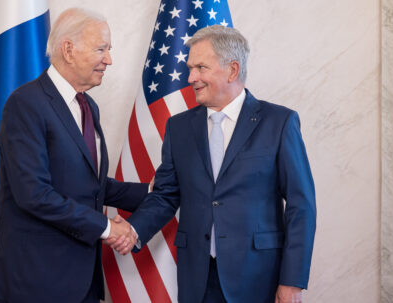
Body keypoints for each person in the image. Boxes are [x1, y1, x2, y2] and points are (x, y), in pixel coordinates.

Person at [116, 25, 316, 303]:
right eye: (190, 68)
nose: (190, 77)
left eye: (200, 67)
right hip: (197, 277)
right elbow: (165, 195)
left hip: (257, 275)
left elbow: (301, 205)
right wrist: (133, 229)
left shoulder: (279, 123)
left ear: (232, 70)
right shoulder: (178, 127)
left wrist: (292, 281)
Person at [0, 8, 147, 303]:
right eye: (101, 48)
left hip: (81, 279)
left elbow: (89, 184)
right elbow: (33, 194)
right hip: (35, 280)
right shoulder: (26, 104)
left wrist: (154, 192)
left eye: (108, 50)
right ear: (69, 50)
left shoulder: (88, 106)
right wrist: (108, 228)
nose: (109, 59)